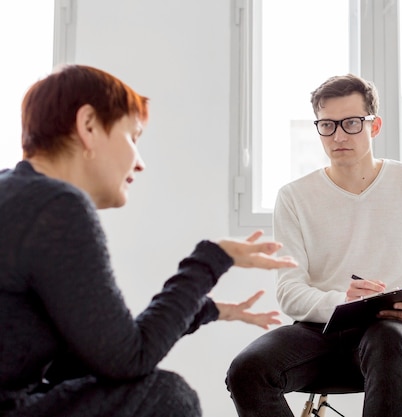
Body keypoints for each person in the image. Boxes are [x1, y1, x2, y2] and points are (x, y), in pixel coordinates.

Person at [0, 64, 297, 417]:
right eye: (133, 137)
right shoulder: (57, 205)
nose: (139, 163)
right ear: (89, 125)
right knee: (167, 395)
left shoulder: (15, 193)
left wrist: (204, 309)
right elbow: (128, 359)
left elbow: (94, 355)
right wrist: (212, 258)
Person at [226, 73, 402, 417]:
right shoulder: (294, 197)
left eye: (351, 123)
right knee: (247, 370)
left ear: (374, 126)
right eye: (327, 125)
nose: (338, 135)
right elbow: (290, 292)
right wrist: (343, 302)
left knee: (387, 340)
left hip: (392, 334)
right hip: (319, 333)